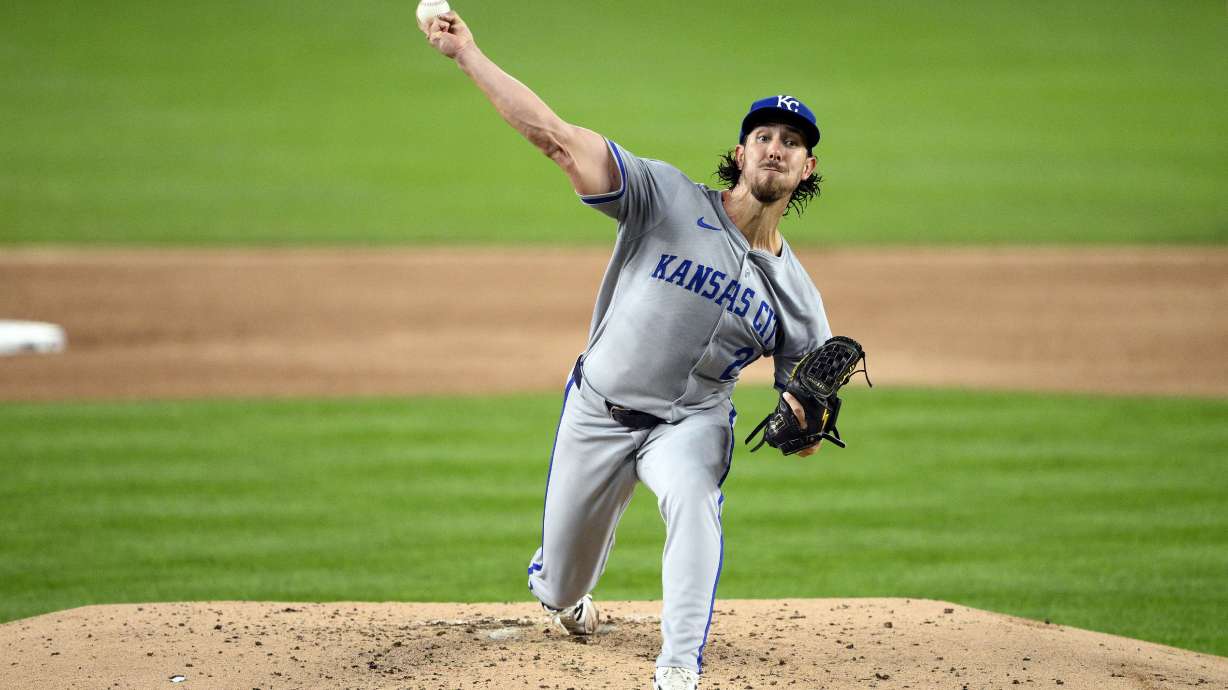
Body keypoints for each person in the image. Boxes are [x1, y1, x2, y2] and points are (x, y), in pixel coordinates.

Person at [419, 12, 832, 690]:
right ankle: (567, 596)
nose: (775, 148)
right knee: (557, 586)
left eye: (791, 142)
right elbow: (556, 138)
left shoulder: (800, 301)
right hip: (598, 412)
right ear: (739, 152)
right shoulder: (663, 197)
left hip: (692, 423)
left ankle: (676, 670)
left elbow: (805, 429)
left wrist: (806, 424)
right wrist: (469, 53)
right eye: (763, 136)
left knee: (695, 501)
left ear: (806, 166)